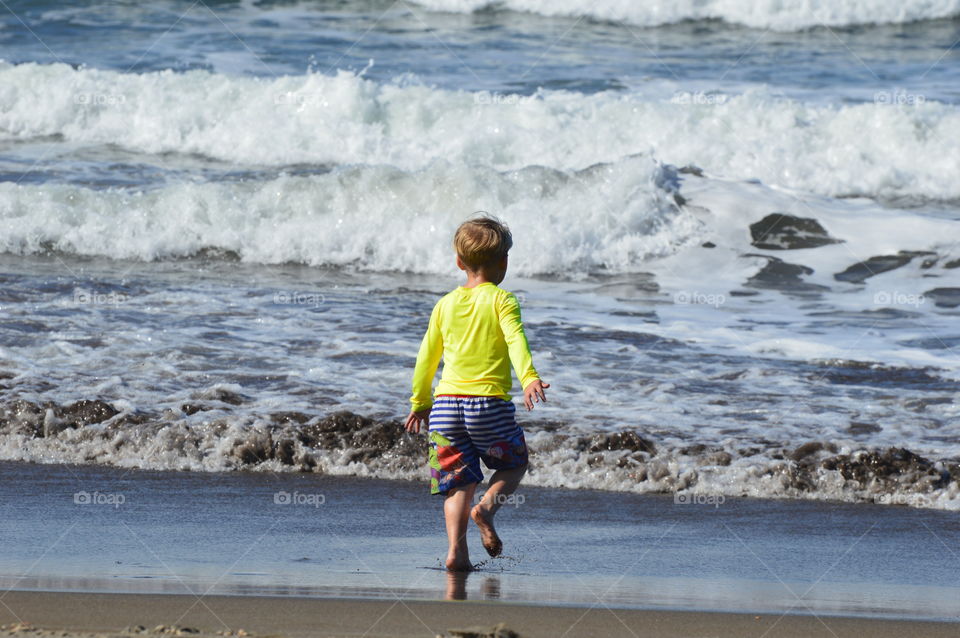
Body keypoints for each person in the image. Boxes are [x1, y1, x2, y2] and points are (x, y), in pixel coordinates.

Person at [404, 215, 549, 572]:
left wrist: (420, 402)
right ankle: (486, 509)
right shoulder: (503, 300)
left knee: (457, 483)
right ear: (504, 263)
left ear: (458, 262)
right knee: (515, 464)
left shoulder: (444, 305)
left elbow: (426, 357)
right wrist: (529, 377)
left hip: (445, 408)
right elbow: (516, 340)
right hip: (487, 405)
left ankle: (457, 552)